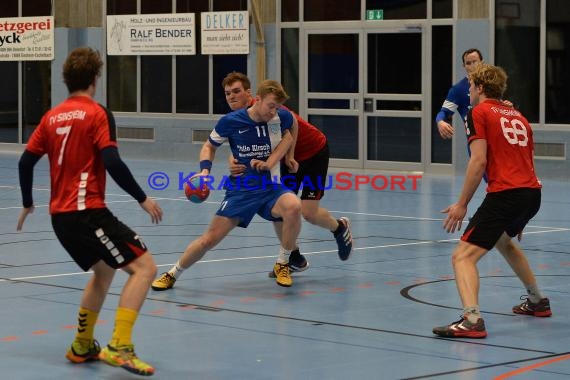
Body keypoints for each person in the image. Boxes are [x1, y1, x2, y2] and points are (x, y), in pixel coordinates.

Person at [17, 47, 162, 376]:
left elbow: (26, 161)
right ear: (96, 79)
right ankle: (120, 347)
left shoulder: (51, 116)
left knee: (104, 271)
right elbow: (111, 160)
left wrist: (28, 202)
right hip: (87, 213)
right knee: (144, 268)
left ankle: (82, 345)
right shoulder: (96, 113)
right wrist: (142, 198)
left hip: (61, 218)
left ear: (67, 80)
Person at [432, 64, 551, 339]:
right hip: (532, 193)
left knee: (462, 257)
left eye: (471, 86)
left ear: (481, 88)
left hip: (507, 194)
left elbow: (478, 161)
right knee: (502, 241)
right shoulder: (517, 116)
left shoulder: (478, 112)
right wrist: (520, 213)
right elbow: (525, 160)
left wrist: (462, 203)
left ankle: (471, 320)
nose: (469, 90)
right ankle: (537, 301)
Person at [151, 80, 302, 289]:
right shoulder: (231, 121)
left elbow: (293, 123)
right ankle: (172, 273)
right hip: (242, 190)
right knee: (209, 240)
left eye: (276, 107)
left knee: (294, 206)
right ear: (257, 100)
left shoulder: (279, 116)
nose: (274, 111)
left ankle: (283, 263)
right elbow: (208, 146)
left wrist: (290, 156)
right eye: (271, 106)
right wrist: (204, 172)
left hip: (271, 188)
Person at [222, 72, 354, 277]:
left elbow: (291, 124)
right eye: (228, 93)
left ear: (249, 93)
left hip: (314, 152)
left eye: (237, 91)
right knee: (281, 209)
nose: (232, 96)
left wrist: (291, 156)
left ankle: (339, 228)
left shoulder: (267, 105)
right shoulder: (239, 118)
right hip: (281, 160)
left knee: (309, 213)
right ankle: (294, 258)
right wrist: (233, 161)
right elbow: (242, 146)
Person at [435, 48, 483, 140]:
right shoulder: (458, 90)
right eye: (468, 63)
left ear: (482, 62)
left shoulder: (492, 84)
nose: (472, 66)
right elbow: (444, 112)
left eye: (475, 62)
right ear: (464, 66)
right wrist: (440, 122)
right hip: (476, 139)